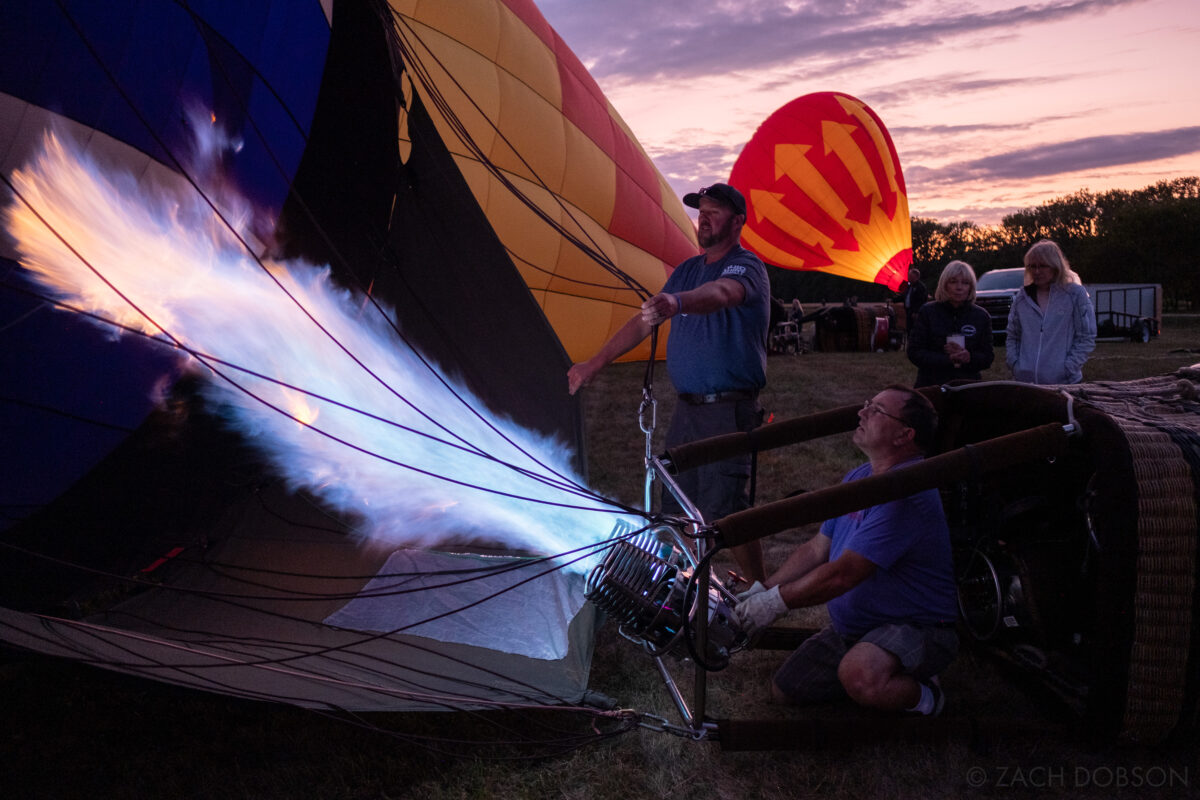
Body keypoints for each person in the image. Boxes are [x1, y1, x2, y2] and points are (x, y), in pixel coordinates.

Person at [567, 183, 770, 583]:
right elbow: (645, 320)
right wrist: (595, 362)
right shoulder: (687, 270)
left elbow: (721, 294)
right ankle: (697, 586)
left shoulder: (746, 266)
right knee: (680, 505)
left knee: (726, 508)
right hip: (688, 409)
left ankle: (761, 589)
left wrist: (677, 303)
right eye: (701, 211)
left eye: (714, 211)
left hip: (728, 408)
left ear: (738, 222)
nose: (704, 218)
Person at [733, 385, 958, 716]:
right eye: (867, 404)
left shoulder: (907, 491)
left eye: (876, 410)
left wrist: (774, 604)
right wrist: (762, 590)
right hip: (857, 629)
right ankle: (884, 670)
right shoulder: (860, 476)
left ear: (904, 435)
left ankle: (928, 697)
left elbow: (843, 575)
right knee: (786, 690)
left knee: (860, 677)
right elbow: (816, 549)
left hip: (918, 625)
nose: (861, 413)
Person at [1006, 240, 1097, 385]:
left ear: (1055, 266)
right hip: (1026, 384)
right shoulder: (1022, 298)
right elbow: (1013, 336)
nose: (1036, 271)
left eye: (1042, 266)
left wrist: (1068, 368)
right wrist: (1016, 366)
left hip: (1064, 384)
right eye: (1032, 266)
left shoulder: (1075, 295)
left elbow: (1086, 336)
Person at [906, 260, 994, 387]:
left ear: (971, 287)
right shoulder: (927, 312)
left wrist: (969, 357)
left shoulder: (981, 316)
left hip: (969, 387)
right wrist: (947, 359)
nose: (959, 287)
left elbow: (988, 357)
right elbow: (914, 352)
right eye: (953, 282)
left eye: (965, 283)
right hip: (931, 385)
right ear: (944, 284)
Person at [898, 268, 928, 333]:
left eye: (910, 276)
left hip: (915, 313)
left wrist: (916, 311)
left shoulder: (920, 287)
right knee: (909, 329)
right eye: (908, 275)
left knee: (915, 329)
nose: (908, 277)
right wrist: (893, 300)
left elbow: (921, 300)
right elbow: (903, 296)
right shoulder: (909, 286)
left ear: (916, 277)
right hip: (909, 311)